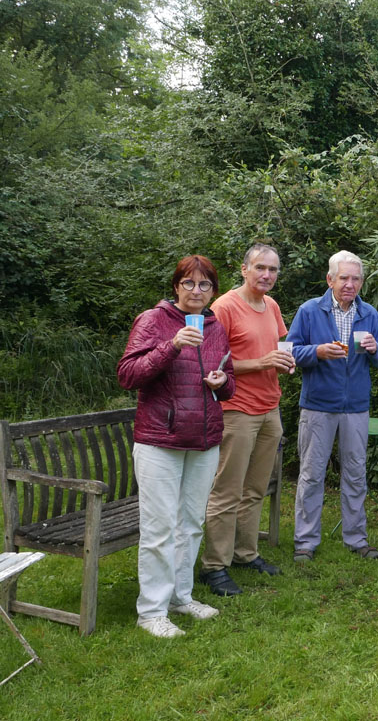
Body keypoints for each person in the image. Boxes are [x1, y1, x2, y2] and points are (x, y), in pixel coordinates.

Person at [117, 255, 234, 638]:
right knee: (160, 528)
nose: (197, 291)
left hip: (203, 439)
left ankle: (180, 597)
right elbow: (128, 375)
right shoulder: (153, 321)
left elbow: (229, 380)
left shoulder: (216, 327)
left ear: (213, 291)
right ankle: (151, 611)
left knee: (190, 524)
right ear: (176, 286)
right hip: (160, 441)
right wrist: (171, 346)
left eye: (204, 285)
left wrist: (221, 382)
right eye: (189, 283)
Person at [197, 244, 294, 597]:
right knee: (227, 491)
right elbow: (211, 363)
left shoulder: (271, 306)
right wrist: (262, 363)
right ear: (244, 269)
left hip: (270, 407)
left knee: (255, 489)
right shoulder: (224, 307)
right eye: (260, 268)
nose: (266, 275)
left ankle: (245, 553)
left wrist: (285, 360)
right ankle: (214, 566)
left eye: (272, 270)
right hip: (236, 409)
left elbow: (276, 349)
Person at [287, 250, 378, 561]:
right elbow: (289, 352)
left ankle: (357, 539)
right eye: (343, 277)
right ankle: (305, 541)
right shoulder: (310, 311)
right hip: (318, 405)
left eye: (355, 278)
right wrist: (317, 352)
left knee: (356, 474)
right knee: (311, 474)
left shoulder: (369, 314)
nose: (349, 284)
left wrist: (374, 350)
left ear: (361, 282)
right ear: (330, 279)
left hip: (356, 407)